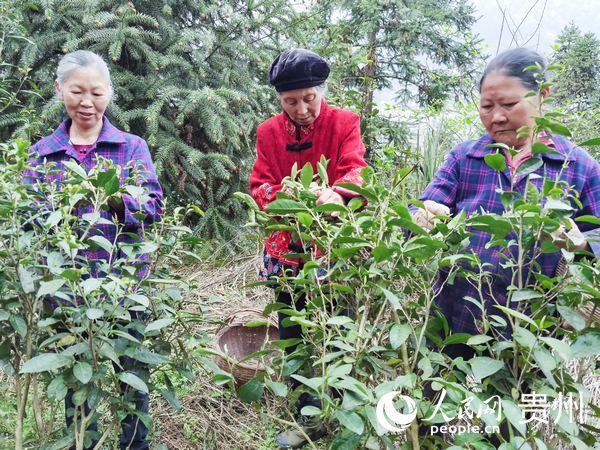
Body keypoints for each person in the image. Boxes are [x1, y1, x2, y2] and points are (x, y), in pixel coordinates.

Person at [413, 47, 600, 359]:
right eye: (486, 106)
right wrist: (420, 217)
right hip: (453, 319)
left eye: (509, 104)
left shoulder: (576, 165)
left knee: (518, 404)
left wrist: (580, 242)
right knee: (443, 402)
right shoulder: (465, 157)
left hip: (532, 331)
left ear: (543, 95)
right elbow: (423, 207)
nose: (496, 117)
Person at [24, 50, 163, 450]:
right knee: (78, 382)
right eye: (77, 92)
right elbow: (29, 218)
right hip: (67, 291)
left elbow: (153, 205)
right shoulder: (42, 153)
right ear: (60, 90)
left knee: (131, 378)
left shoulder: (131, 146)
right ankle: (83, 442)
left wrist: (111, 196)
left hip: (124, 286)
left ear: (109, 94)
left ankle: (135, 445)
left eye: (97, 93)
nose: (87, 102)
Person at [249, 48, 367, 449]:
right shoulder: (268, 132)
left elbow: (356, 171)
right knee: (293, 326)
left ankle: (339, 406)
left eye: (309, 98)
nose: (302, 109)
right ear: (280, 100)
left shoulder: (344, 122)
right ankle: (305, 414)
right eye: (291, 101)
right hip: (287, 243)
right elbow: (259, 185)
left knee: (336, 321)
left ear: (321, 91)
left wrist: (336, 194)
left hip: (333, 241)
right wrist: (291, 193)